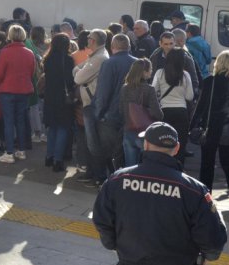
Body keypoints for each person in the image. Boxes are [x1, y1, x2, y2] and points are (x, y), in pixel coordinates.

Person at [93, 122, 227, 265]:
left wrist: (115, 246)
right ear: (176, 149)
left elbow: (101, 220)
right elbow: (213, 241)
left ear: (146, 145)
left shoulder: (117, 180)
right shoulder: (194, 190)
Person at [93, 34, 137, 178]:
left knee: (109, 152)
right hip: (131, 115)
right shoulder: (137, 63)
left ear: (112, 47)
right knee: (126, 152)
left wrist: (99, 113)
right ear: (129, 47)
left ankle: (109, 181)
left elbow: (103, 92)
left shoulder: (109, 63)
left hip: (110, 116)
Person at [0, 25, 36, 163]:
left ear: (9, 36)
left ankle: (9, 152)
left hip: (7, 90)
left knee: (8, 122)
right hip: (24, 91)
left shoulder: (5, 52)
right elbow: (32, 73)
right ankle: (21, 150)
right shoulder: (29, 53)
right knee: (20, 121)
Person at [152, 48, 194, 166]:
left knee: (163, 141)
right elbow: (190, 96)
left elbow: (153, 91)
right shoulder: (185, 75)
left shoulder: (160, 73)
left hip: (164, 111)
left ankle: (163, 166)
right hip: (181, 111)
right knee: (180, 142)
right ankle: (178, 168)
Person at [118, 59, 163, 166]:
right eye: (150, 69)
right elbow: (158, 114)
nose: (151, 71)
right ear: (144, 72)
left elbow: (121, 111)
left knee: (130, 168)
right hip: (145, 134)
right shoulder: (149, 89)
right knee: (146, 168)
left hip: (128, 132)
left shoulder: (125, 88)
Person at [196, 51, 229, 191]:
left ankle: (205, 195)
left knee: (207, 163)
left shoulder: (210, 81)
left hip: (210, 126)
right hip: (227, 127)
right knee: (226, 163)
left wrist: (192, 125)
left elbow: (201, 106)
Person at [42, 34, 75, 172]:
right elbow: (70, 80)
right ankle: (58, 160)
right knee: (62, 129)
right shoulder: (68, 60)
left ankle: (49, 157)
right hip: (63, 98)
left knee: (52, 128)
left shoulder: (47, 59)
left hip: (49, 97)